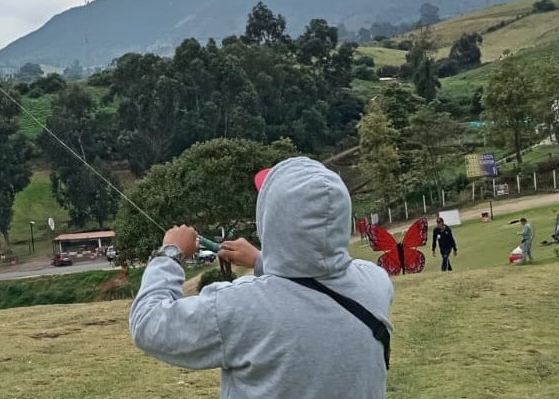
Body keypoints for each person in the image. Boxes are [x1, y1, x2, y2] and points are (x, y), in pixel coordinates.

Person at [130, 157, 394, 399]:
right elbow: (315, 272)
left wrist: (170, 253)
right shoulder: (374, 283)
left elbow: (147, 323)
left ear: (271, 219)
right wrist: (260, 260)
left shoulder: (239, 307)